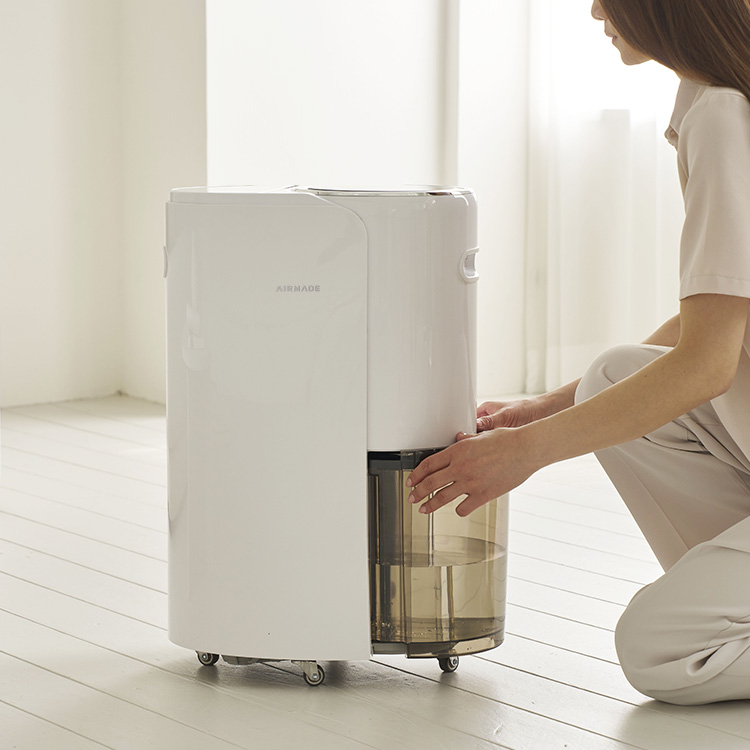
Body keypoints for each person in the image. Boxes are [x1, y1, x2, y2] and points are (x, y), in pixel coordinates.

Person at [407, 0, 750, 705]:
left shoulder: (721, 112)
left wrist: (527, 452)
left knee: (659, 647)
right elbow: (720, 318)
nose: (595, 9)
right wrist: (545, 408)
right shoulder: (709, 97)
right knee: (609, 375)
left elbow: (708, 363)